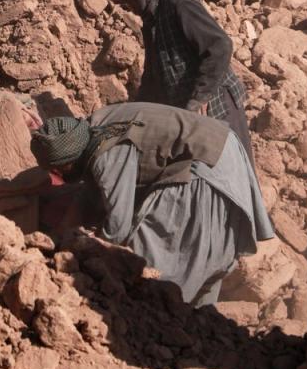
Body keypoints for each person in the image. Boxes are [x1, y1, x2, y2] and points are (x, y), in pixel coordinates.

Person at [31, 101, 274, 306]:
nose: (57, 175)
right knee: (201, 258)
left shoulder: (107, 154)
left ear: (67, 162)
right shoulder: (91, 129)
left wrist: (91, 264)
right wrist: (60, 236)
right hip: (222, 150)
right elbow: (92, 195)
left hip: (205, 169)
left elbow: (118, 226)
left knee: (152, 262)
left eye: (57, 169)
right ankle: (197, 326)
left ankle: (155, 329)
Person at [103, 0, 254, 163]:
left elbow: (219, 46)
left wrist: (199, 98)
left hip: (217, 105)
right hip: (188, 113)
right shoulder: (150, 18)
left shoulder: (178, 4)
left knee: (233, 170)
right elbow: (154, 74)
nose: (121, 1)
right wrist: (136, 115)